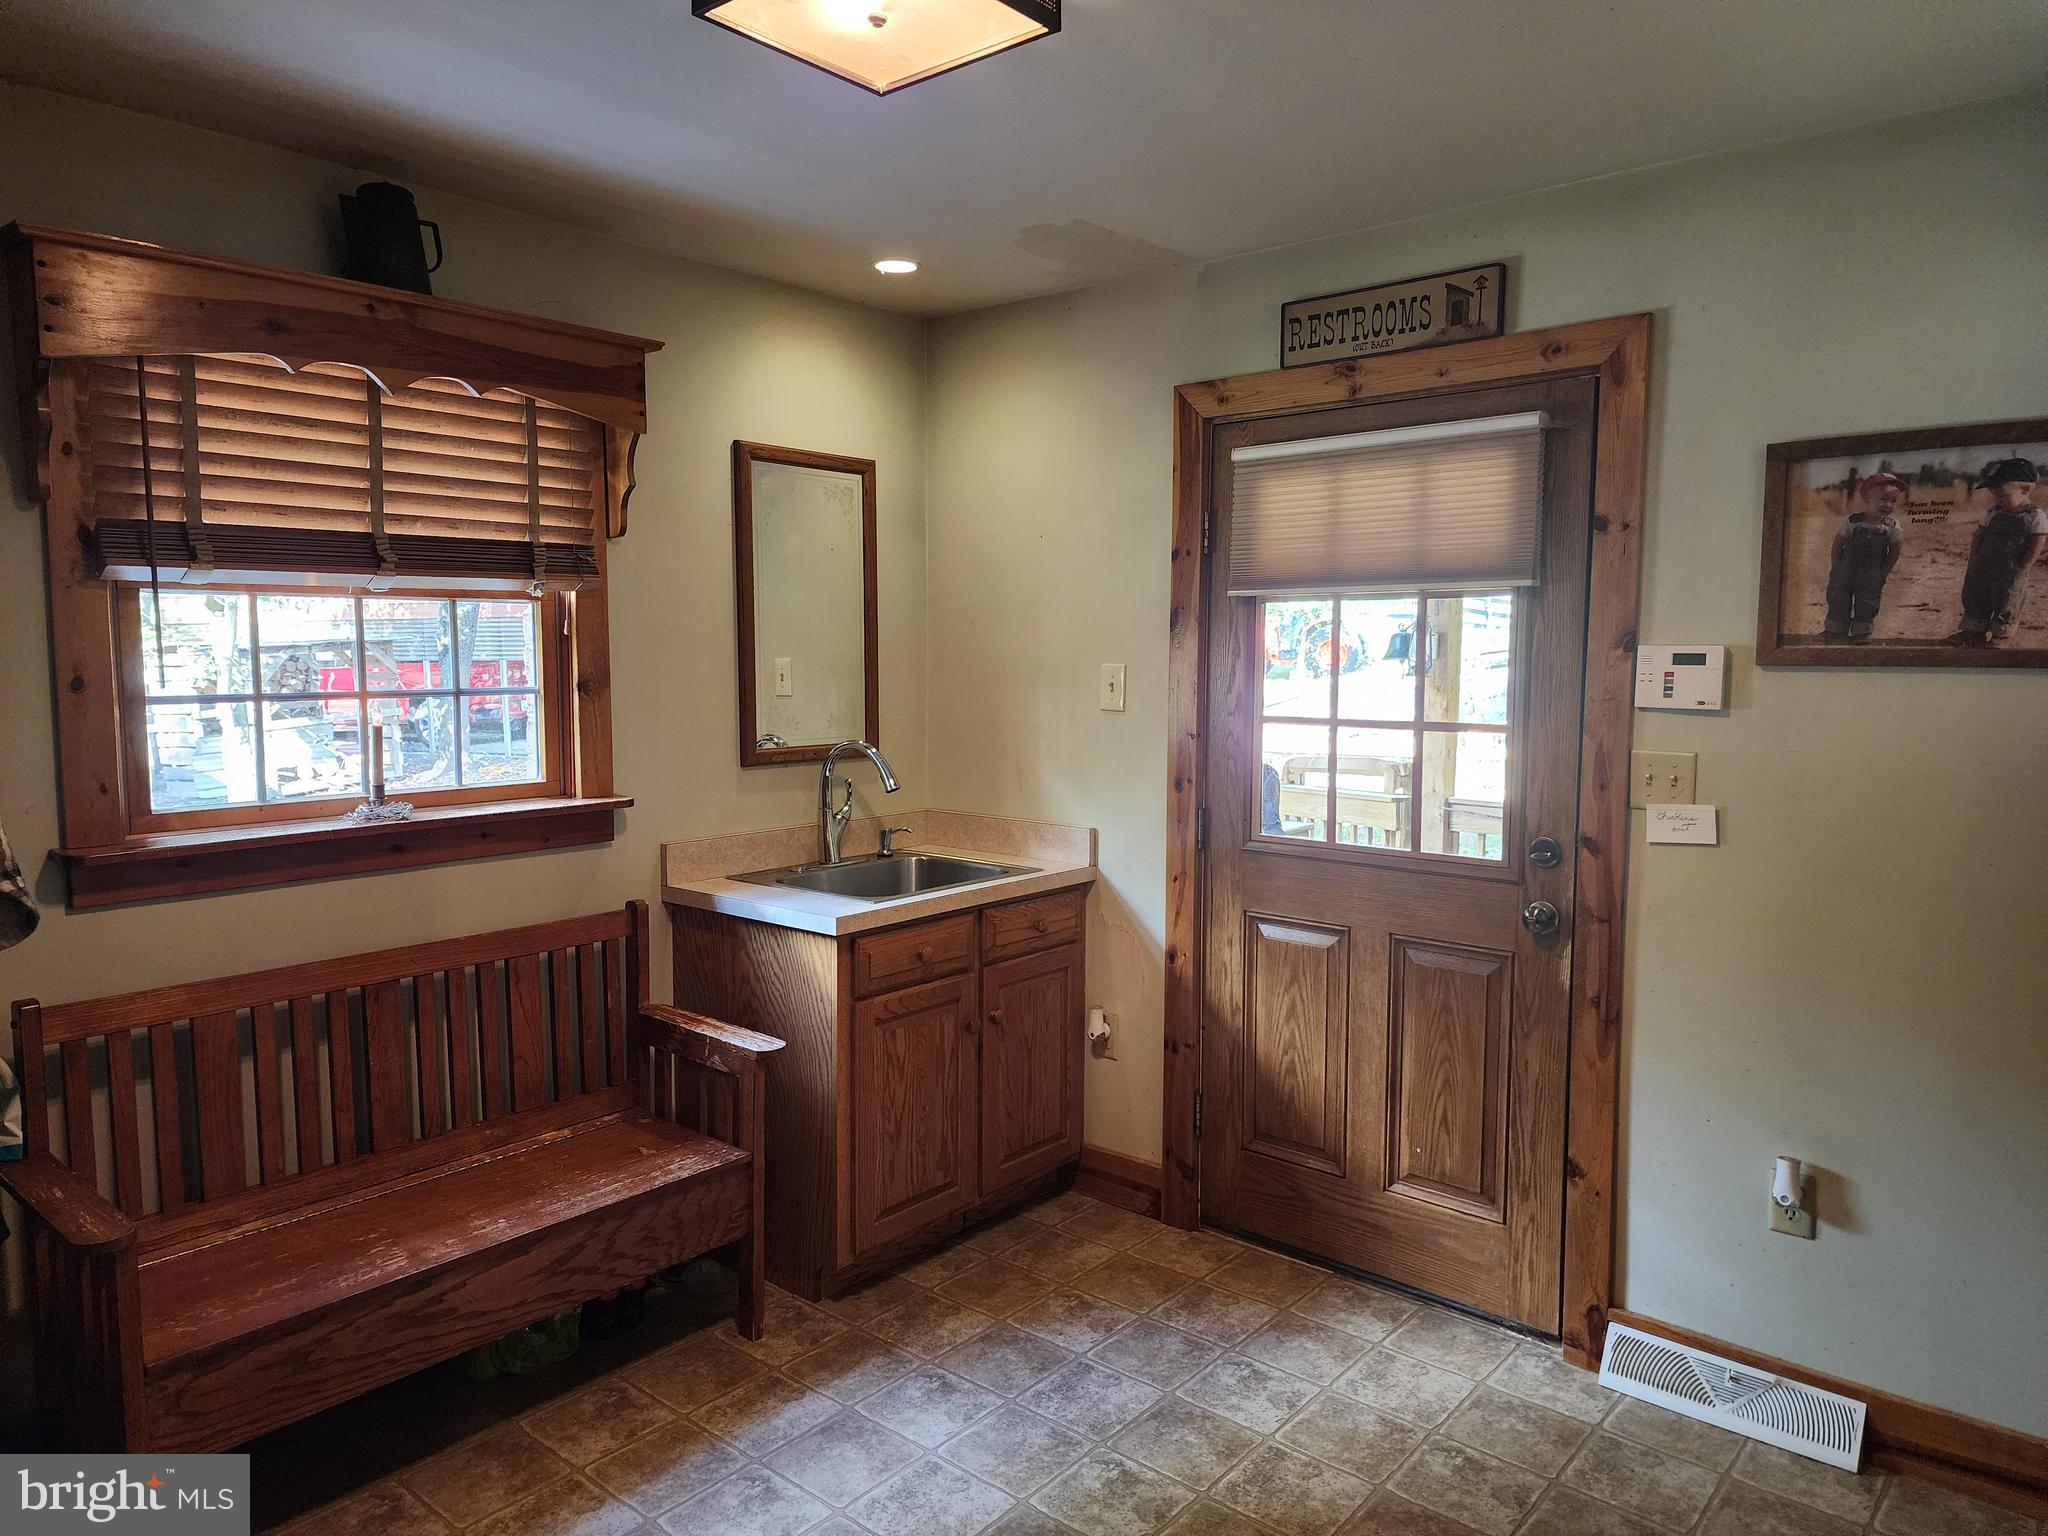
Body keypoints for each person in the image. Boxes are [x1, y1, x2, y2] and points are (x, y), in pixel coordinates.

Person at [1953, 457, 2047, 646]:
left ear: (2025, 490)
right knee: (1976, 595)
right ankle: (1974, 630)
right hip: (1984, 563)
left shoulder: (2035, 516)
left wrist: (2024, 566)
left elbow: (2038, 542)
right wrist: (1974, 558)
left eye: (2003, 496)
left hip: (2012, 569)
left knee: (2007, 599)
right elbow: (1980, 534)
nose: (1998, 500)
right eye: (1994, 495)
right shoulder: (1993, 512)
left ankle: (2001, 635)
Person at [1823, 471, 1906, 640]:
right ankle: (1836, 629)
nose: (1888, 505)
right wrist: (1836, 567)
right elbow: (1838, 543)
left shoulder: (1892, 526)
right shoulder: (1852, 521)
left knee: (1868, 602)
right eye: (1883, 499)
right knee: (1838, 598)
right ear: (1868, 499)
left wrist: (1884, 572)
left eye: (1893, 501)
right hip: (1845, 570)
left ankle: (1862, 632)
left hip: (1872, 573)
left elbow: (1895, 551)